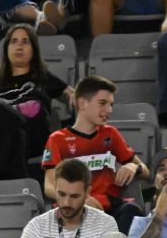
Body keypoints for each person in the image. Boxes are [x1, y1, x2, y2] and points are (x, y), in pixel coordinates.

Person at [0, 24, 70, 182]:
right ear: (6, 48)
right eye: (13, 41)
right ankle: (20, 184)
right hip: (4, 138)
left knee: (1, 110)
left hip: (35, 136)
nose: (19, 46)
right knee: (14, 131)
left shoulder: (44, 78)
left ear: (33, 49)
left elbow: (74, 95)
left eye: (25, 42)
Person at [44, 76, 147, 224]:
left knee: (132, 210)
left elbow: (146, 171)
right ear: (82, 103)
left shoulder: (110, 134)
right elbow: (49, 186)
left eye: (111, 104)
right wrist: (79, 198)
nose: (109, 110)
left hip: (109, 208)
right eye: (103, 103)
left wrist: (133, 166)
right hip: (73, 208)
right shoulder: (57, 139)